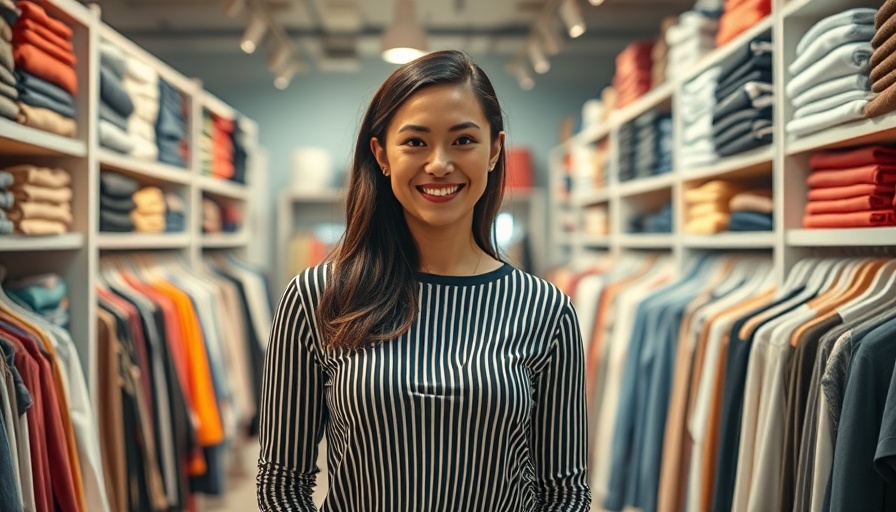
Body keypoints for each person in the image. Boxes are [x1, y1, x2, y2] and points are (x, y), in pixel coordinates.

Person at [257, 49, 591, 511]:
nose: (439, 164)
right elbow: (282, 483)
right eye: (415, 142)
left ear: (495, 150)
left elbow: (564, 492)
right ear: (382, 155)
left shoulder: (546, 310)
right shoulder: (319, 297)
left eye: (463, 141)